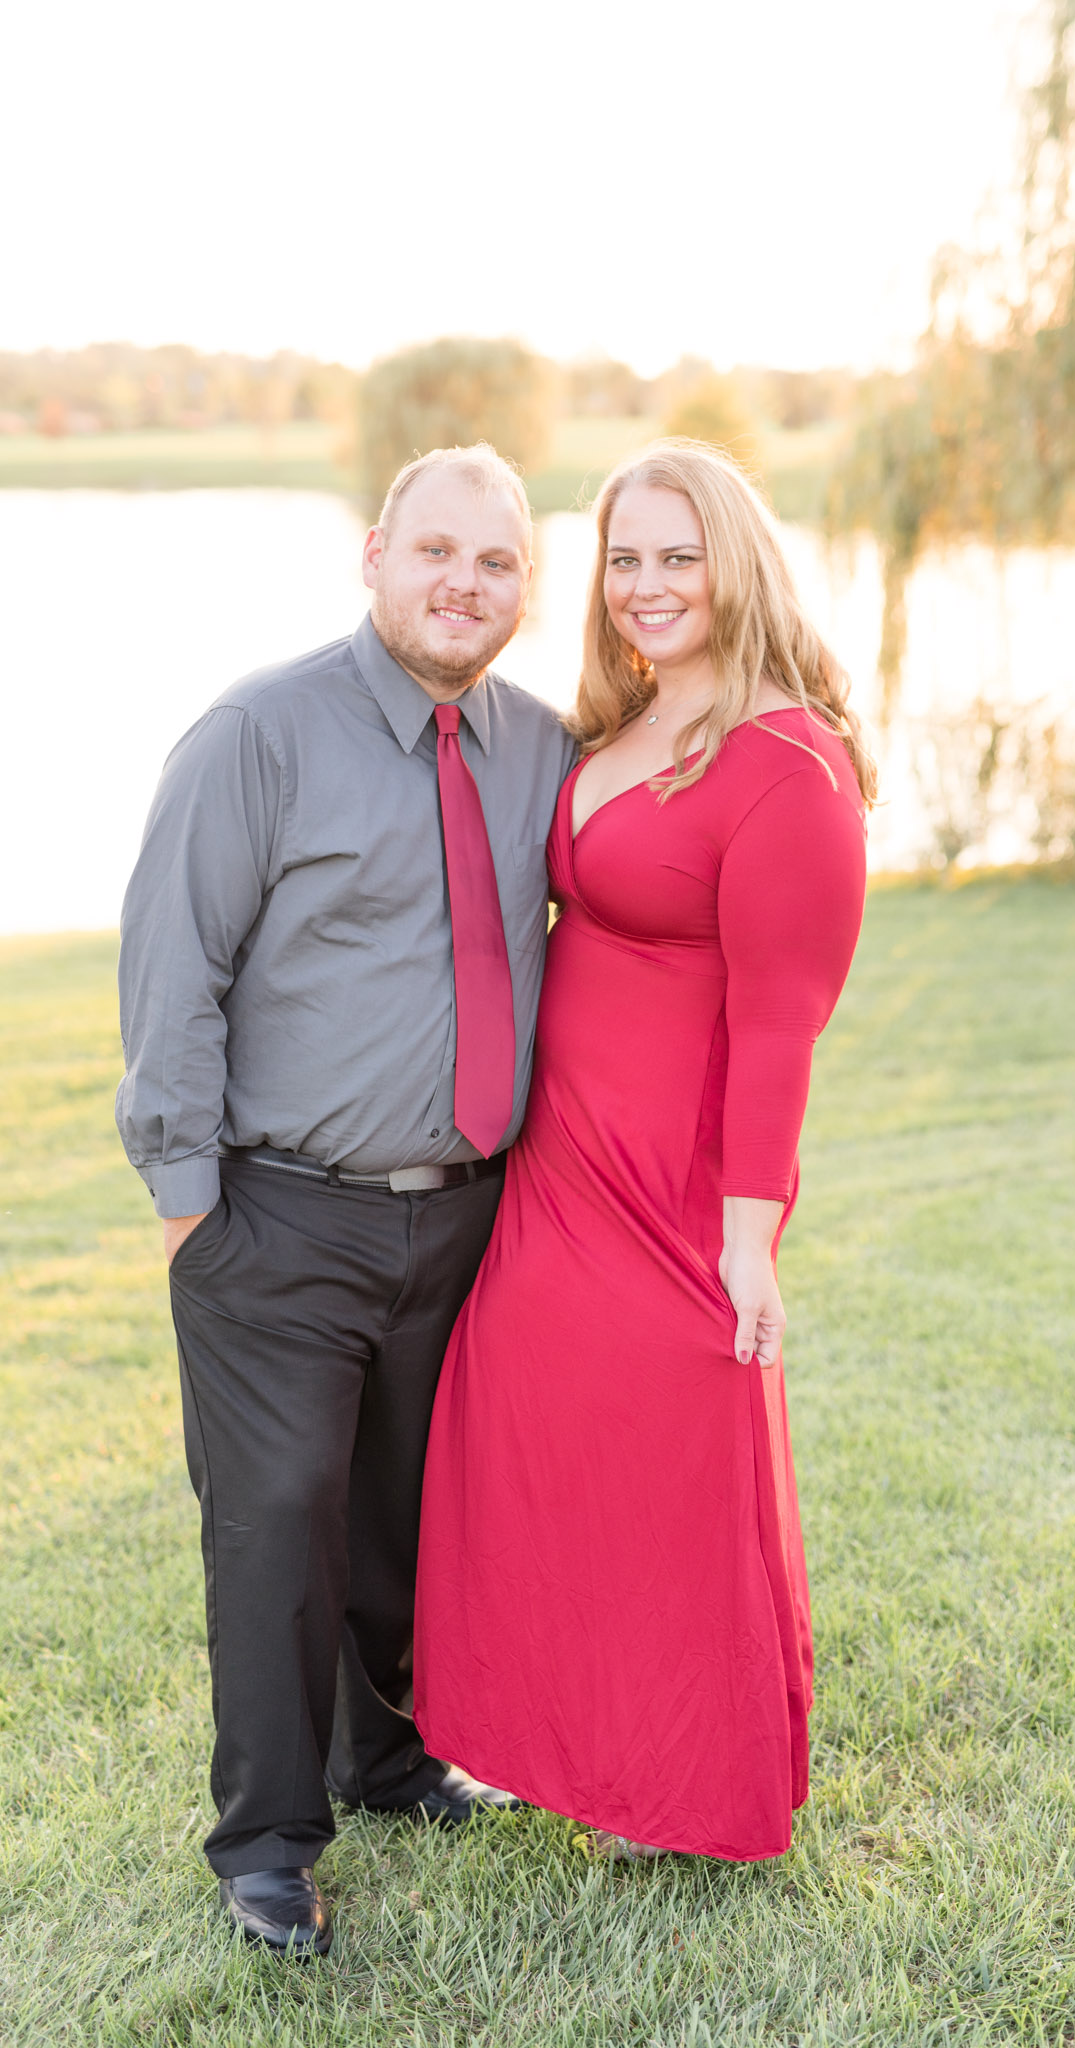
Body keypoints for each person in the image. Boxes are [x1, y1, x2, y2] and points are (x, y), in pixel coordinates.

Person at [116, 445, 577, 1954]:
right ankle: (264, 1844)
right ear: (375, 554)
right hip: (278, 1215)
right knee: (276, 1521)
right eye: (435, 549)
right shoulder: (259, 733)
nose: (464, 581)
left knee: (399, 1514)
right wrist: (194, 1210)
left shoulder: (541, 751)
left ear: (526, 584)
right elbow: (175, 970)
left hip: (459, 1217)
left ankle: (384, 1759)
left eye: (496, 561)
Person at [414, 440, 874, 1862]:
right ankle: (565, 1751)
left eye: (680, 555)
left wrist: (751, 1239)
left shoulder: (788, 763)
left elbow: (783, 1025)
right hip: (560, 1166)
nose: (650, 584)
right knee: (541, 1455)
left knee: (676, 1477)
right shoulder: (610, 729)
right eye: (625, 558)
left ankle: (688, 1789)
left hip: (674, 1188)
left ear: (736, 561)